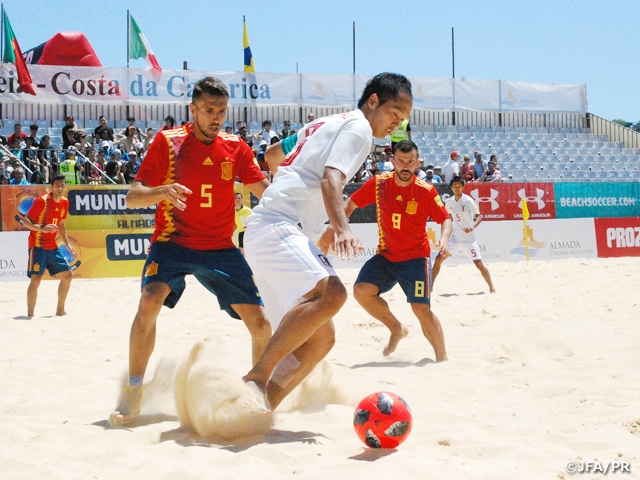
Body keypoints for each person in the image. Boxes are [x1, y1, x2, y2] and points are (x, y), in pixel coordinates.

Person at [241, 72, 413, 411]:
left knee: (321, 337)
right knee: (332, 294)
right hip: (277, 225)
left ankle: (258, 407)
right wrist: (341, 226)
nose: (397, 123)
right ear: (373, 101)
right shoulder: (361, 128)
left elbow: (273, 156)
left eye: (403, 119)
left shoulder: (326, 123)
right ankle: (256, 378)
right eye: (394, 113)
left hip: (269, 231)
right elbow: (330, 179)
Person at [110, 76, 272, 426]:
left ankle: (259, 392)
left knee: (260, 324)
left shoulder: (236, 146)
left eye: (222, 111)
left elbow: (265, 191)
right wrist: (163, 190)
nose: (217, 117)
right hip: (173, 243)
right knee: (149, 301)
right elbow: (133, 195)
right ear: (192, 110)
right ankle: (134, 390)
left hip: (219, 248)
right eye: (210, 110)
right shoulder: (168, 143)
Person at [327, 140, 451, 360]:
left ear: (417, 163)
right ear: (392, 161)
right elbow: (350, 205)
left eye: (410, 162)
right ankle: (396, 328)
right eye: (400, 161)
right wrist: (336, 232)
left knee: (421, 309)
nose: (405, 166)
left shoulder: (425, 190)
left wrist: (443, 238)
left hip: (415, 258)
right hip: (386, 255)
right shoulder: (378, 184)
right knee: (361, 291)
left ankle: (442, 358)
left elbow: (445, 219)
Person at [21, 174, 76, 317]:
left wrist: (67, 244)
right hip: (37, 244)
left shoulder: (64, 202)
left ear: (65, 187)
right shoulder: (42, 201)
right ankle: (30, 314)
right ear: (51, 187)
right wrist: (41, 229)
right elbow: (25, 221)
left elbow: (61, 224)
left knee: (68, 275)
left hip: (52, 246)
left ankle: (60, 310)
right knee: (36, 279)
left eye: (62, 185)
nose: (60, 187)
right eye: (57, 185)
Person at [432, 176, 496, 293]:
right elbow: (447, 221)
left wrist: (471, 227)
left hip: (469, 241)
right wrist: (445, 239)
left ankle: (492, 288)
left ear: (463, 187)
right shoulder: (449, 202)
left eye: (459, 186)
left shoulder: (468, 201)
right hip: (455, 240)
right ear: (451, 188)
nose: (457, 188)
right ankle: (430, 288)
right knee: (438, 259)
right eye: (454, 186)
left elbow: (479, 217)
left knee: (479, 265)